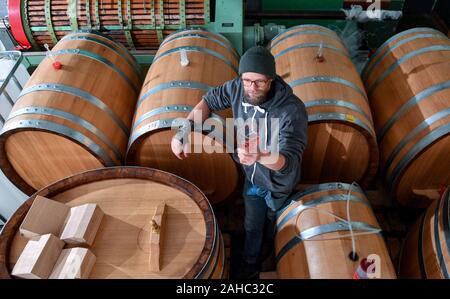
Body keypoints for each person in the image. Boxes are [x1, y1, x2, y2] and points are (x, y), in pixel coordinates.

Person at [171, 46, 308, 278]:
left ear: (272, 80)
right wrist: (182, 133)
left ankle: (273, 255)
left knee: (276, 226)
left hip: (279, 185)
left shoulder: (291, 110)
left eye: (259, 82)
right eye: (247, 80)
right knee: (252, 226)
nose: (252, 88)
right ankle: (250, 265)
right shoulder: (237, 88)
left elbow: (289, 162)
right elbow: (208, 101)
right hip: (252, 179)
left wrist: (261, 156)